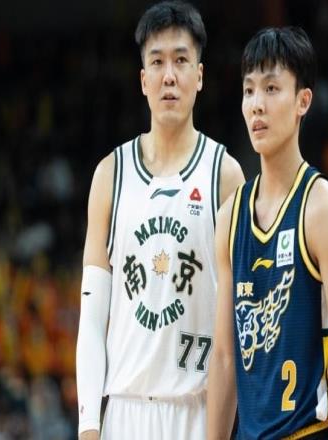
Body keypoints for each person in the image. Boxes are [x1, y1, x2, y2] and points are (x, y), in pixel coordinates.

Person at [75, 2, 244, 439]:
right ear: (143, 80)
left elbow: (239, 322)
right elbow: (92, 319)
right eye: (157, 62)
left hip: (198, 412)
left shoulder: (225, 176)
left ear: (200, 76)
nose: (169, 75)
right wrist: (89, 426)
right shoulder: (110, 175)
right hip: (124, 412)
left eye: (181, 60)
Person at [207, 27, 328, 439]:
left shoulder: (322, 209)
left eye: (271, 88)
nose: (257, 105)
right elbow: (224, 357)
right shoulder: (229, 218)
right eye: (249, 91)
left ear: (303, 101)